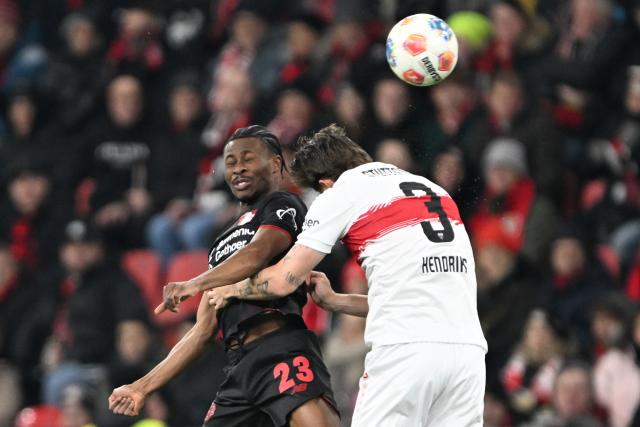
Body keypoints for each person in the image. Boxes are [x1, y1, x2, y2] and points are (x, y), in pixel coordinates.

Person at [166, 124, 488, 426]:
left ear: (324, 183)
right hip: (468, 354)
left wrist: (233, 290)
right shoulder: (432, 190)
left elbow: (283, 280)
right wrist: (337, 301)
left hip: (405, 352)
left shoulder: (343, 191)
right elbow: (411, 298)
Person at [109, 126, 339, 427]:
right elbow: (203, 331)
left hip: (279, 346)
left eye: (247, 159)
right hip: (237, 367)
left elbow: (257, 254)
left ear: (274, 165)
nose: (238, 168)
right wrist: (143, 386)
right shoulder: (221, 241)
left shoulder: (284, 205)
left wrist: (195, 283)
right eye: (230, 163)